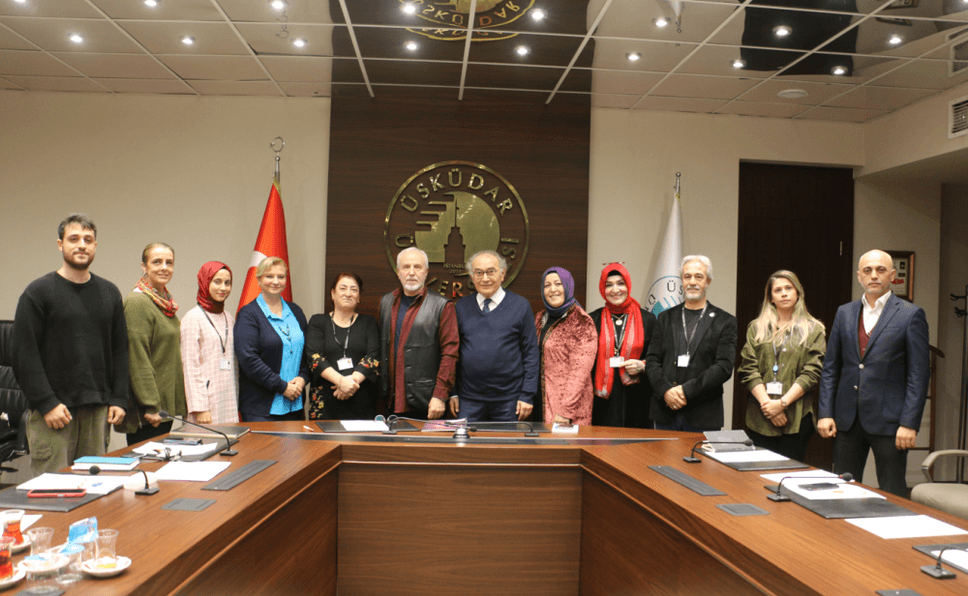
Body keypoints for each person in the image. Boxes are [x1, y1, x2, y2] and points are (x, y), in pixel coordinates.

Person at [12, 214, 128, 474]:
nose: (82, 245)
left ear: (95, 247)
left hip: (97, 410)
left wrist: (119, 398)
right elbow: (23, 354)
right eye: (73, 239)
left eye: (88, 240)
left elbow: (120, 350)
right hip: (54, 413)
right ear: (60, 244)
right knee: (54, 492)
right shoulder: (38, 293)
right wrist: (46, 403)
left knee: (94, 491)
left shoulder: (109, 293)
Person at [818, 249, 930, 498]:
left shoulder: (910, 314)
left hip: (891, 423)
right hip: (847, 420)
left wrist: (909, 423)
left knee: (892, 492)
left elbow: (919, 375)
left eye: (880, 270)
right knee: (842, 491)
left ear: (892, 275)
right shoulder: (844, 312)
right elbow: (831, 367)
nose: (874, 275)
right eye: (867, 270)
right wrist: (825, 412)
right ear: (859, 276)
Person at [738, 271, 825, 461]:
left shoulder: (814, 329)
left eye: (788, 288)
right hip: (759, 418)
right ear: (770, 297)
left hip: (796, 418)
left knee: (788, 476)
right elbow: (747, 368)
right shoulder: (756, 327)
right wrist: (768, 406)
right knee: (757, 478)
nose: (784, 293)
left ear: (798, 293)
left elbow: (812, 372)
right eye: (778, 290)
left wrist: (782, 404)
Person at [646, 255, 737, 432]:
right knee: (662, 460)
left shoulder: (725, 321)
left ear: (708, 282)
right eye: (687, 276)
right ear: (681, 280)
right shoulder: (665, 318)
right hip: (665, 410)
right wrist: (666, 391)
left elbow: (724, 367)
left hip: (703, 413)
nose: (692, 282)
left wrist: (686, 392)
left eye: (699, 276)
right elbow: (652, 360)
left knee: (699, 461)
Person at [453, 250, 539, 423]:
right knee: (465, 448)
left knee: (505, 448)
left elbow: (531, 353)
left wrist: (527, 395)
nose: (485, 278)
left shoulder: (521, 306)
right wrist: (453, 391)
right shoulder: (461, 307)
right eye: (479, 272)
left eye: (491, 271)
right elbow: (452, 351)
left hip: (510, 400)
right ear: (471, 276)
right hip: (468, 399)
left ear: (502, 274)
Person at [379, 247, 458, 420]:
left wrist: (440, 395)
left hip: (426, 401)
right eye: (406, 267)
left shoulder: (443, 306)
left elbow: (450, 355)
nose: (412, 272)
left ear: (426, 272)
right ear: (398, 272)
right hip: (390, 400)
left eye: (418, 267)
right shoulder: (386, 301)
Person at [119, 242, 186, 445]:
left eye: (169, 262)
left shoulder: (164, 302)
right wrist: (151, 404)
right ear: (144, 266)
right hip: (149, 410)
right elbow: (137, 358)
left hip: (164, 405)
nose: (164, 267)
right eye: (157, 262)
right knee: (149, 469)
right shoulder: (138, 302)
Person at [235, 257, 309, 422]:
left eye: (281, 277)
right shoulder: (248, 314)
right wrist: (282, 387)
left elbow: (308, 353)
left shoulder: (296, 311)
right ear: (259, 279)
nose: (275, 281)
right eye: (269, 276)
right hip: (261, 410)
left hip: (294, 405)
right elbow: (248, 359)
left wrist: (303, 378)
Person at [589, 263, 656, 428]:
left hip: (638, 398)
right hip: (603, 401)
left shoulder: (648, 320)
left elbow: (659, 357)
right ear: (602, 289)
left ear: (628, 285)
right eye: (609, 285)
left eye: (620, 283)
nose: (615, 289)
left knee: (635, 449)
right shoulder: (592, 320)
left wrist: (642, 365)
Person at [306, 273, 379, 420]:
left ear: (359, 297)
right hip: (325, 401)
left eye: (354, 290)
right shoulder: (318, 321)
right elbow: (314, 357)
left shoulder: (368, 322)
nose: (348, 294)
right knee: (323, 443)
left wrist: (350, 384)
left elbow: (373, 357)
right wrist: (341, 382)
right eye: (343, 288)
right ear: (333, 293)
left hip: (361, 398)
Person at [534, 267, 597, 426]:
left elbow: (579, 372)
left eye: (558, 283)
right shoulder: (540, 317)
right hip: (540, 401)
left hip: (568, 410)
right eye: (547, 285)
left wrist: (565, 411)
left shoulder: (582, 321)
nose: (552, 289)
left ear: (568, 286)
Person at [180, 261, 239, 425]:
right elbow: (190, 366)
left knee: (230, 447)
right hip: (205, 404)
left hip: (228, 398)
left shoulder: (228, 317)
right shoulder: (192, 318)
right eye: (217, 281)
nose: (223, 288)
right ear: (205, 282)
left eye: (227, 283)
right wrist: (200, 408)